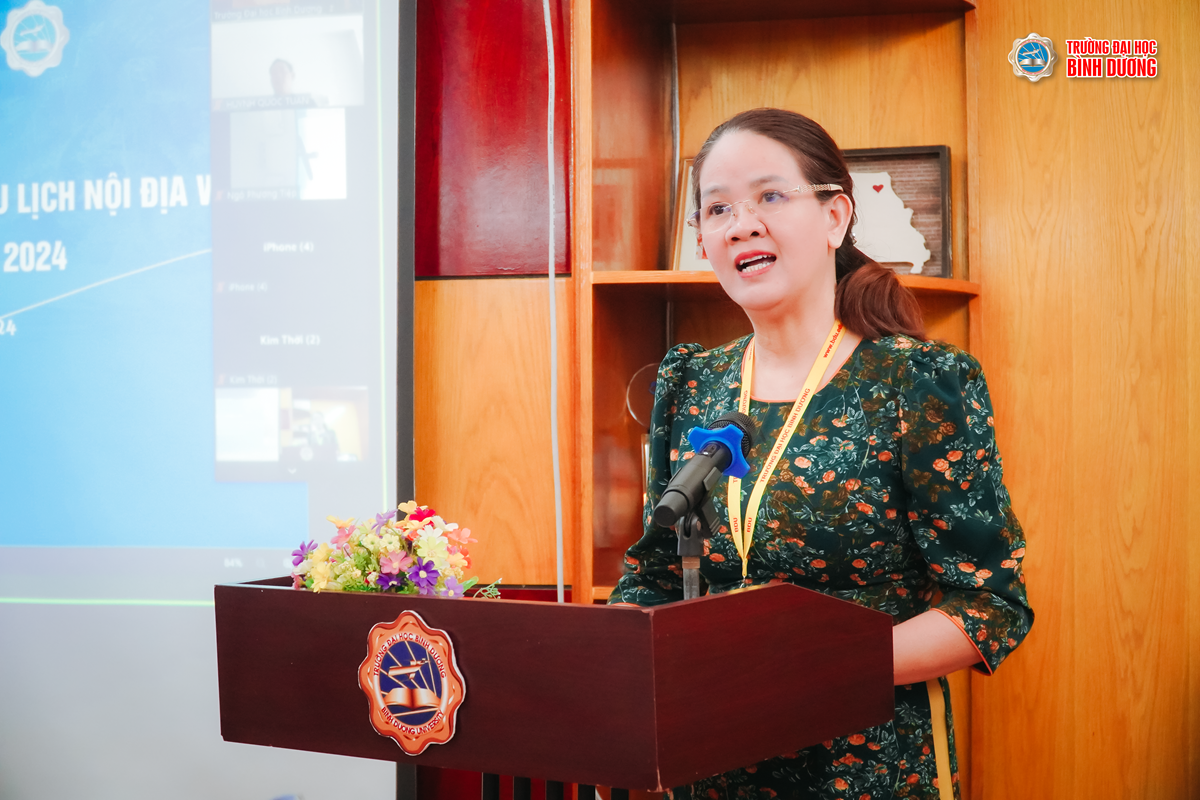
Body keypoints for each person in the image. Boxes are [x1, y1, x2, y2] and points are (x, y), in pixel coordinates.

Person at [609, 108, 1033, 800]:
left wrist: (815, 668)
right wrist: (612, 680)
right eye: (718, 209)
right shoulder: (691, 384)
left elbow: (990, 604)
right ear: (703, 239)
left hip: (865, 764)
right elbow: (654, 573)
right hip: (710, 760)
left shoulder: (918, 382)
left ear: (835, 217)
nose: (741, 225)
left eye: (770, 197)